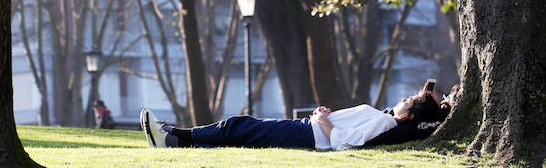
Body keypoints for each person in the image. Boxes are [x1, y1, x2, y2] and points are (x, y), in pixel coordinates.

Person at [139, 79, 453, 151]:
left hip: (307, 135)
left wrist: (323, 122)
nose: (401, 99)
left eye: (407, 100)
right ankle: (173, 136)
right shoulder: (387, 117)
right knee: (240, 127)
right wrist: (323, 115)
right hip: (308, 128)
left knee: (238, 127)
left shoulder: (387, 122)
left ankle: (173, 137)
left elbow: (347, 143)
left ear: (409, 115)